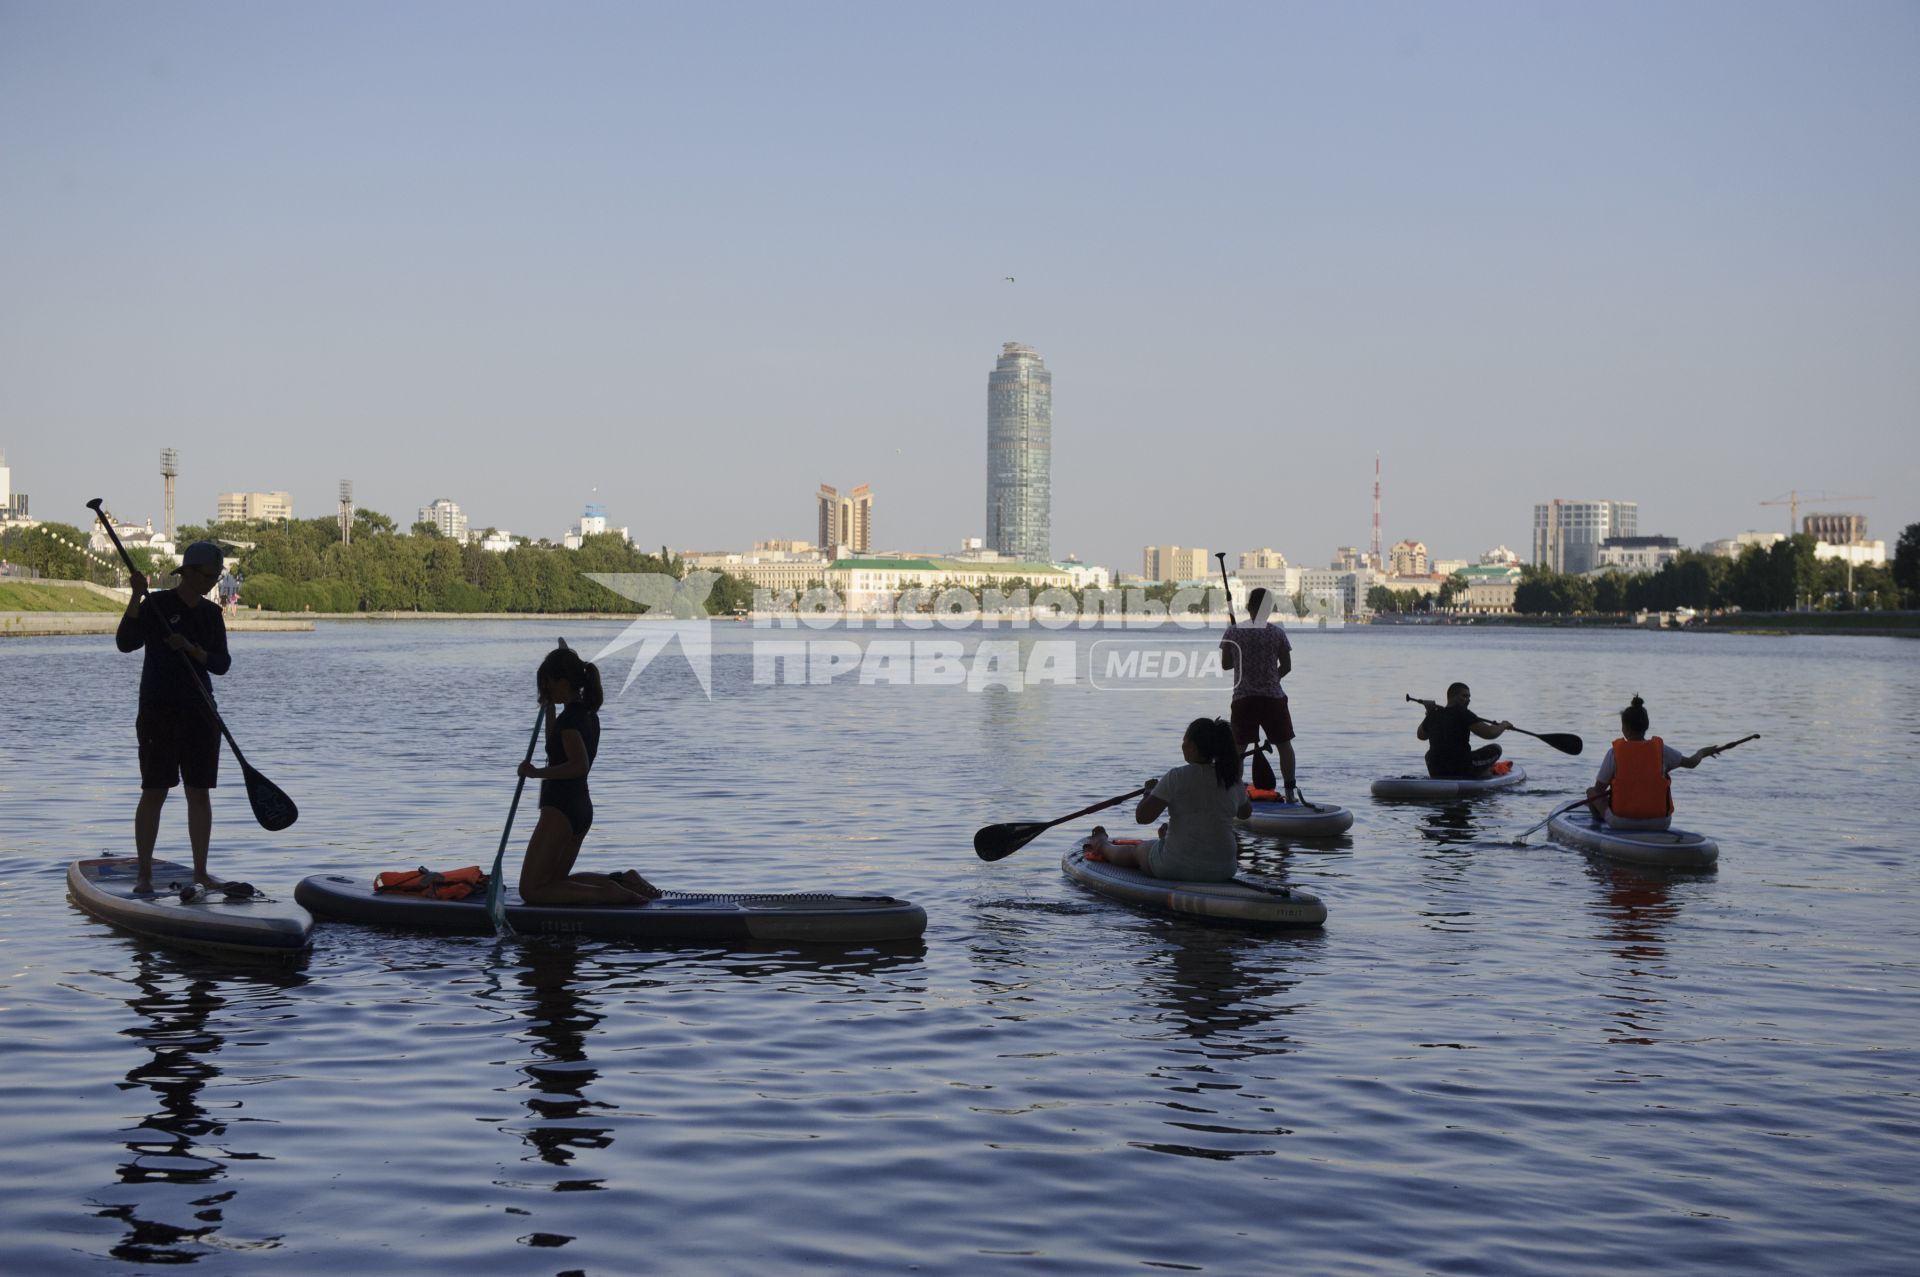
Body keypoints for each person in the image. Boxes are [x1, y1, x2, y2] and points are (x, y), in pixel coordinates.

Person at [116, 541, 232, 894]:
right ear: (190, 573)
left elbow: (222, 663)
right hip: (159, 710)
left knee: (200, 793)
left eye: (216, 576)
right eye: (209, 576)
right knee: (155, 791)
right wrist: (136, 596)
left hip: (201, 711)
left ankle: (200, 872)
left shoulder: (212, 615)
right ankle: (144, 875)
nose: (213, 582)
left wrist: (193, 649)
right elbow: (125, 642)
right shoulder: (158, 605)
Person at [516, 643, 661, 906]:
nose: (544, 689)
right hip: (578, 806)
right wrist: (550, 710)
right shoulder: (584, 714)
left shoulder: (571, 721)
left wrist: (536, 773)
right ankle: (622, 881)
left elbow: (578, 765)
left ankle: (612, 894)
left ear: (562, 682)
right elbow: (555, 747)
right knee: (555, 881)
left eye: (547, 683)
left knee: (531, 890)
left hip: (561, 807)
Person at [1086, 717, 1251, 881]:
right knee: (1169, 834)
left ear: (1192, 747)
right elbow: (1245, 813)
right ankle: (1168, 838)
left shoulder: (1177, 776)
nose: (1182, 745)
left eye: (1184, 740)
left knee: (1136, 851)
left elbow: (1143, 817)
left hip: (1175, 866)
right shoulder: (1232, 780)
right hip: (1225, 868)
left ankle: (1102, 845)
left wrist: (1149, 792)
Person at [1586, 695, 1723, 830]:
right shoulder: (1662, 751)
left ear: (1626, 728)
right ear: (1646, 726)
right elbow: (1692, 763)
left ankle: (1598, 825)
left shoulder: (1614, 753)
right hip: (1660, 822)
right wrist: (1703, 752)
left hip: (1621, 822)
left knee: (1591, 791)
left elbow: (1599, 789)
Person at [1220, 587, 1297, 799]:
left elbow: (1226, 665)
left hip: (1243, 699)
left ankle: (1234, 794)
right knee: (1284, 745)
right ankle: (1290, 791)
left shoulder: (1233, 632)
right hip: (1273, 698)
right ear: (1269, 609)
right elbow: (1287, 666)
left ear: (1248, 607)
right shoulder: (1277, 633)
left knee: (1239, 749)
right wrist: (1271, 679)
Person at [1411, 682, 1512, 779]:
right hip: (1461, 768)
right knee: (1496, 748)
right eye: (1464, 696)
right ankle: (1483, 773)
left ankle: (1478, 771)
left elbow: (1421, 735)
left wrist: (1429, 712)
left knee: (1429, 754)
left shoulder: (1434, 714)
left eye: (1469, 697)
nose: (1468, 700)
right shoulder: (1464, 713)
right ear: (1452, 697)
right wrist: (1504, 725)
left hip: (1436, 770)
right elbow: (1490, 733)